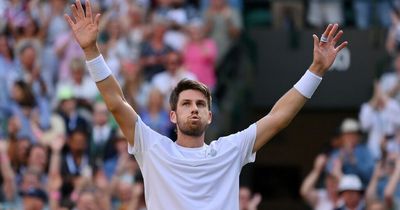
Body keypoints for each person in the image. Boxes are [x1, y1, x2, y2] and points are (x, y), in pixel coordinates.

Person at [64, 0, 347, 209]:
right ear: (173, 115)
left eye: (200, 104)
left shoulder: (229, 151)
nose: (194, 108)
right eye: (186, 104)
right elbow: (116, 103)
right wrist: (91, 50)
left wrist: (317, 71)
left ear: (210, 116)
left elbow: (278, 117)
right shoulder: (152, 147)